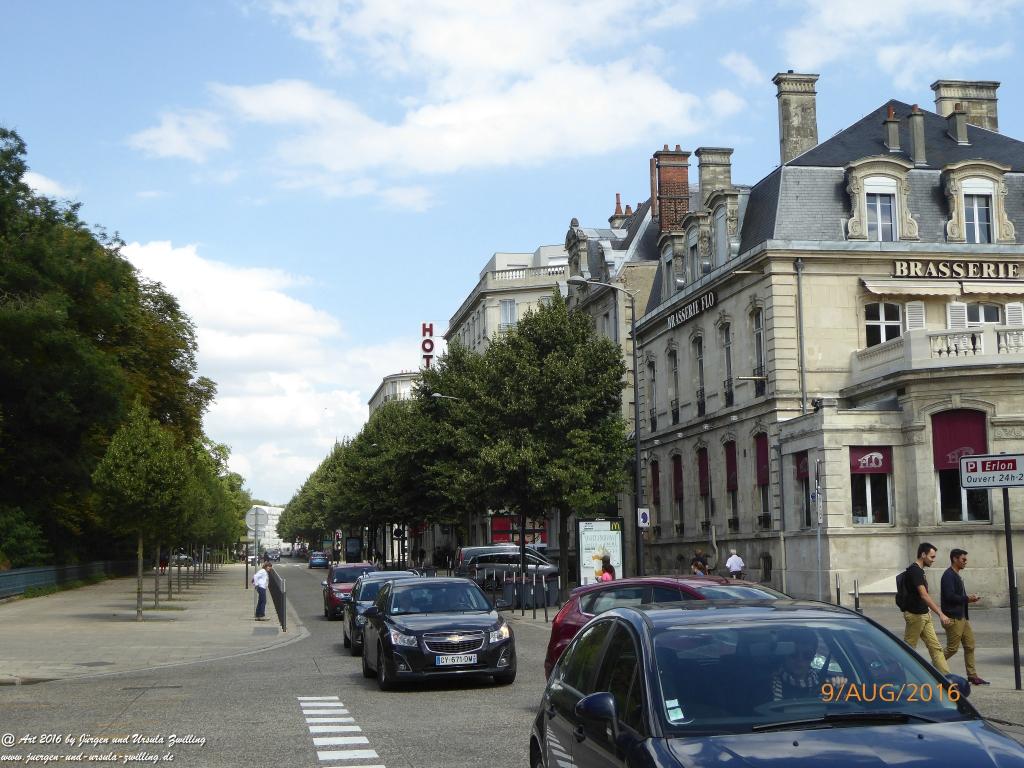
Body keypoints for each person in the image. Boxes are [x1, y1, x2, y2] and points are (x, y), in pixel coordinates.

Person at [902, 542, 951, 674]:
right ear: (923, 555)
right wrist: (940, 613)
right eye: (932, 557)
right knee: (908, 649)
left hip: (924, 614)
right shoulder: (914, 571)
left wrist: (929, 611)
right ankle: (901, 678)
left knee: (936, 648)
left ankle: (947, 680)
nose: (933, 560)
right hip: (915, 615)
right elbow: (924, 595)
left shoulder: (919, 571)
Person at [941, 548, 988, 685]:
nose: (966, 562)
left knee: (970, 645)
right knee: (952, 648)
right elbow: (949, 597)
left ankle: (972, 676)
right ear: (955, 559)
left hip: (962, 617)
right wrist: (967, 598)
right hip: (953, 617)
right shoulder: (948, 576)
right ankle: (930, 668)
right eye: (963, 559)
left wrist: (968, 600)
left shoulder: (956, 575)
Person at [770, 629, 846, 701]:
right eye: (794, 654)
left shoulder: (827, 686)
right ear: (784, 654)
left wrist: (838, 693)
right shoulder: (768, 685)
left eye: (807, 655)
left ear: (813, 656)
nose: (800, 659)